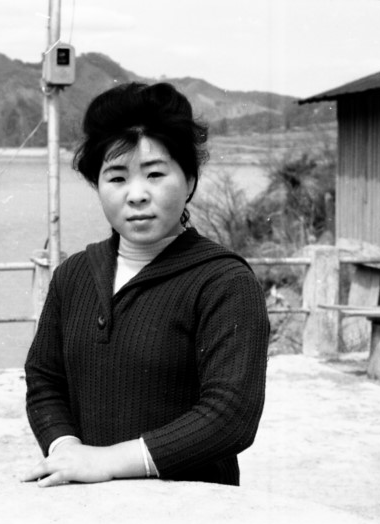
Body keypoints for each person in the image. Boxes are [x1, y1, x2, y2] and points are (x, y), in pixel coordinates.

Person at [22, 82, 269, 488]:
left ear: (189, 180)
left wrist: (108, 461)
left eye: (155, 174)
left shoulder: (224, 282)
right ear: (97, 185)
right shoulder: (74, 275)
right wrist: (66, 449)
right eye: (116, 177)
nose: (136, 195)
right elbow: (44, 378)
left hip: (192, 507)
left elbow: (231, 416)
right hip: (88, 503)